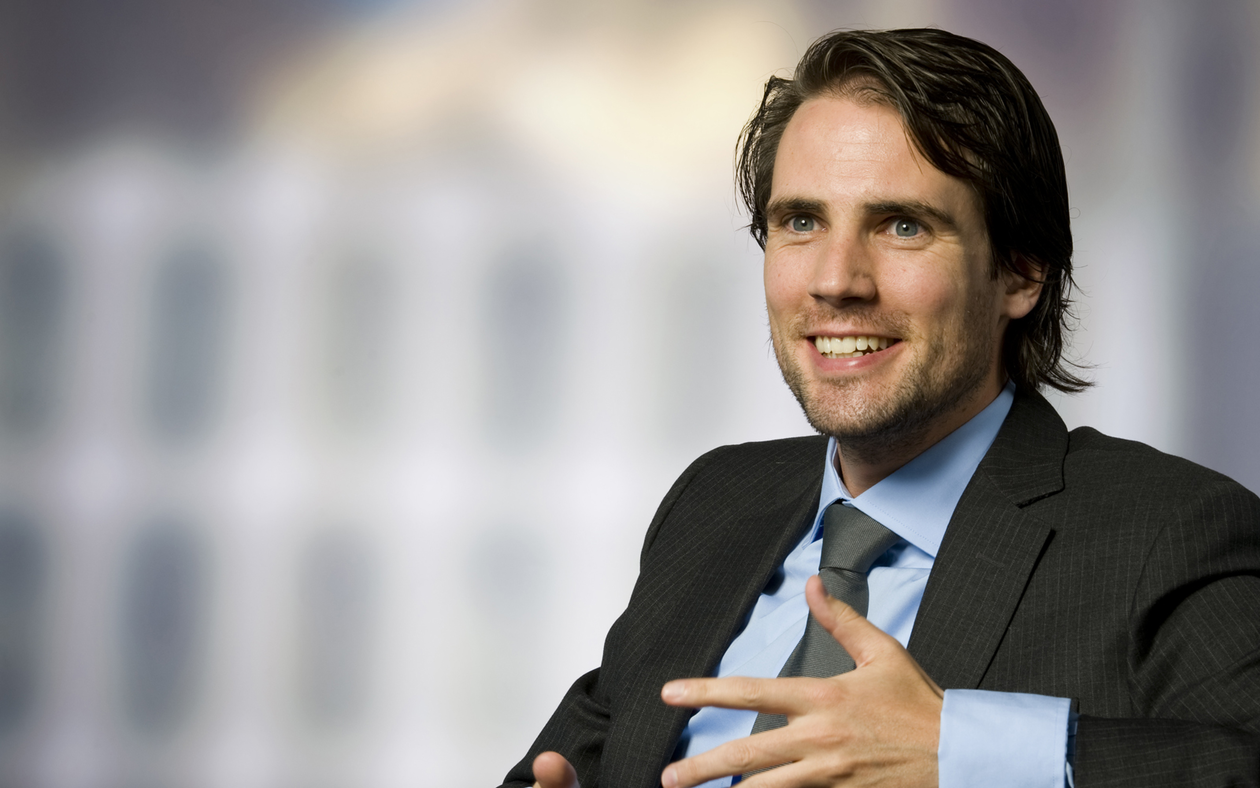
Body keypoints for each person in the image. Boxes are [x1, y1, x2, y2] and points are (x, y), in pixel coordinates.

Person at [500, 28, 1260, 788]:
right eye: (802, 222)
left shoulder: (1167, 532)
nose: (836, 281)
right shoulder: (715, 503)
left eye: (903, 226)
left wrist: (962, 749)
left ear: (1021, 273)